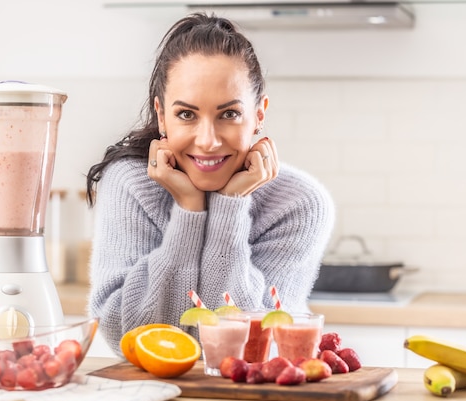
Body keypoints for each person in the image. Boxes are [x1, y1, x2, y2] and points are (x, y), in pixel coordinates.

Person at [85, 12, 334, 356]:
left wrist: (229, 208)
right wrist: (189, 211)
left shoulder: (299, 204)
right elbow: (125, 335)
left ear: (259, 114)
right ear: (161, 115)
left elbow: (255, 350)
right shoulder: (129, 182)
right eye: (186, 115)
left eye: (229, 114)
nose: (208, 141)